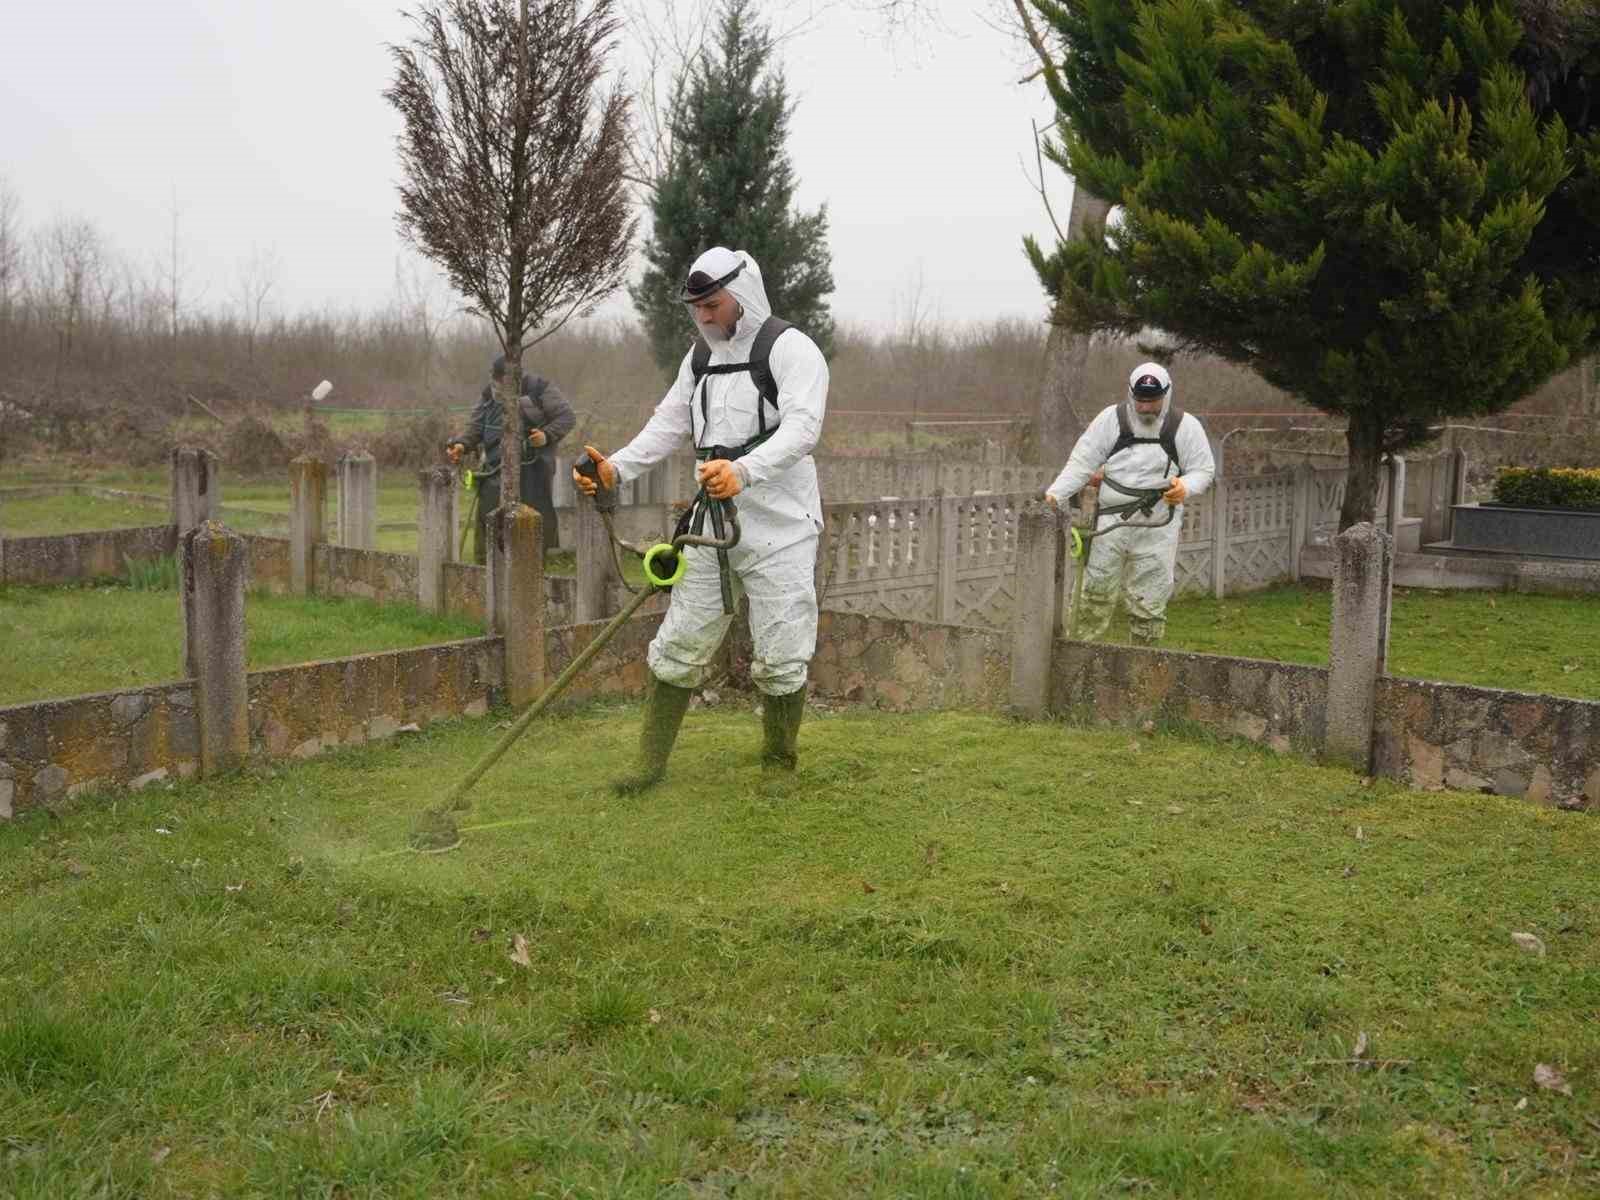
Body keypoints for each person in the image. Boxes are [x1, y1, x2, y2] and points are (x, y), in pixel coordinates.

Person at [572, 246, 828, 793]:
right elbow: (668, 423)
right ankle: (649, 764)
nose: (704, 317)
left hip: (780, 525)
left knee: (783, 646)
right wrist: (616, 469)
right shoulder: (700, 359)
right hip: (711, 524)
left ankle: (779, 764)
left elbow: (803, 429)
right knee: (681, 640)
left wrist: (745, 471)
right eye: (697, 309)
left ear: (742, 295)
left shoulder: (792, 350)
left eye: (712, 305)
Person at [1044, 361, 1215, 644]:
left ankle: (1143, 664)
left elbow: (1204, 470)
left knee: (1150, 598)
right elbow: (1081, 464)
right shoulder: (1110, 420)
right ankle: (1081, 657)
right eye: (1141, 401)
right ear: (1131, 394)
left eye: (1153, 401)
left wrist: (1185, 486)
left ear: (1167, 394)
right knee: (1093, 594)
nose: (1146, 407)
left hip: (1158, 524)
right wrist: (1054, 495)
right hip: (1109, 523)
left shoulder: (1185, 427)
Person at [446, 355, 575, 563]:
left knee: (536, 517)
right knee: (489, 516)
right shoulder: (488, 394)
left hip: (534, 466)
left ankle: (542, 563)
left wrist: (546, 435)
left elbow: (567, 417)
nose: (498, 388)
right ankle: (486, 563)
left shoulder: (539, 388)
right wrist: (463, 444)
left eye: (503, 384)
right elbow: (476, 427)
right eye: (495, 382)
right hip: (494, 468)